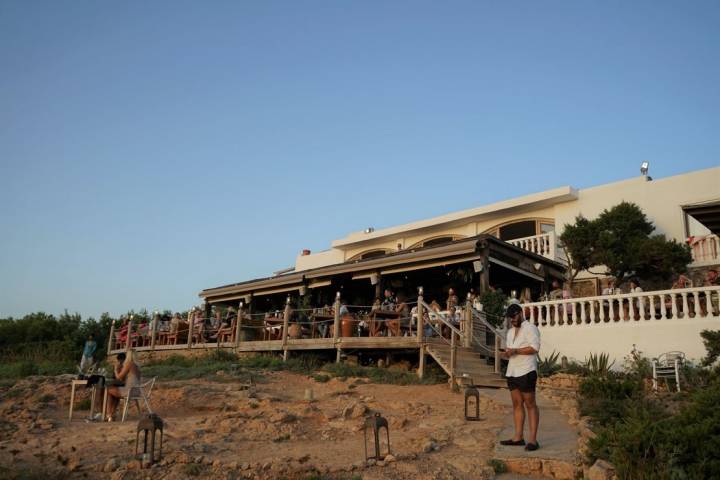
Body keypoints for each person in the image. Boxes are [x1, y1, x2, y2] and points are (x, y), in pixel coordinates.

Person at [500, 303, 541, 451]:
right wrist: (506, 353)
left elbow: (534, 348)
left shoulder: (530, 328)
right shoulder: (510, 332)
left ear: (521, 313)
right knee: (517, 404)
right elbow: (512, 350)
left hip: (527, 371)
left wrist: (515, 351)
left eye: (514, 316)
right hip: (512, 372)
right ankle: (518, 438)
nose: (512, 320)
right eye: (510, 318)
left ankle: (533, 440)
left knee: (530, 404)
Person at [105, 350, 141, 421]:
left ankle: (109, 414)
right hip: (136, 391)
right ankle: (112, 414)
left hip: (129, 391)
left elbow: (119, 377)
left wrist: (115, 369)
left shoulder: (129, 364)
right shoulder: (137, 367)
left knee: (109, 390)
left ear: (129, 356)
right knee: (115, 392)